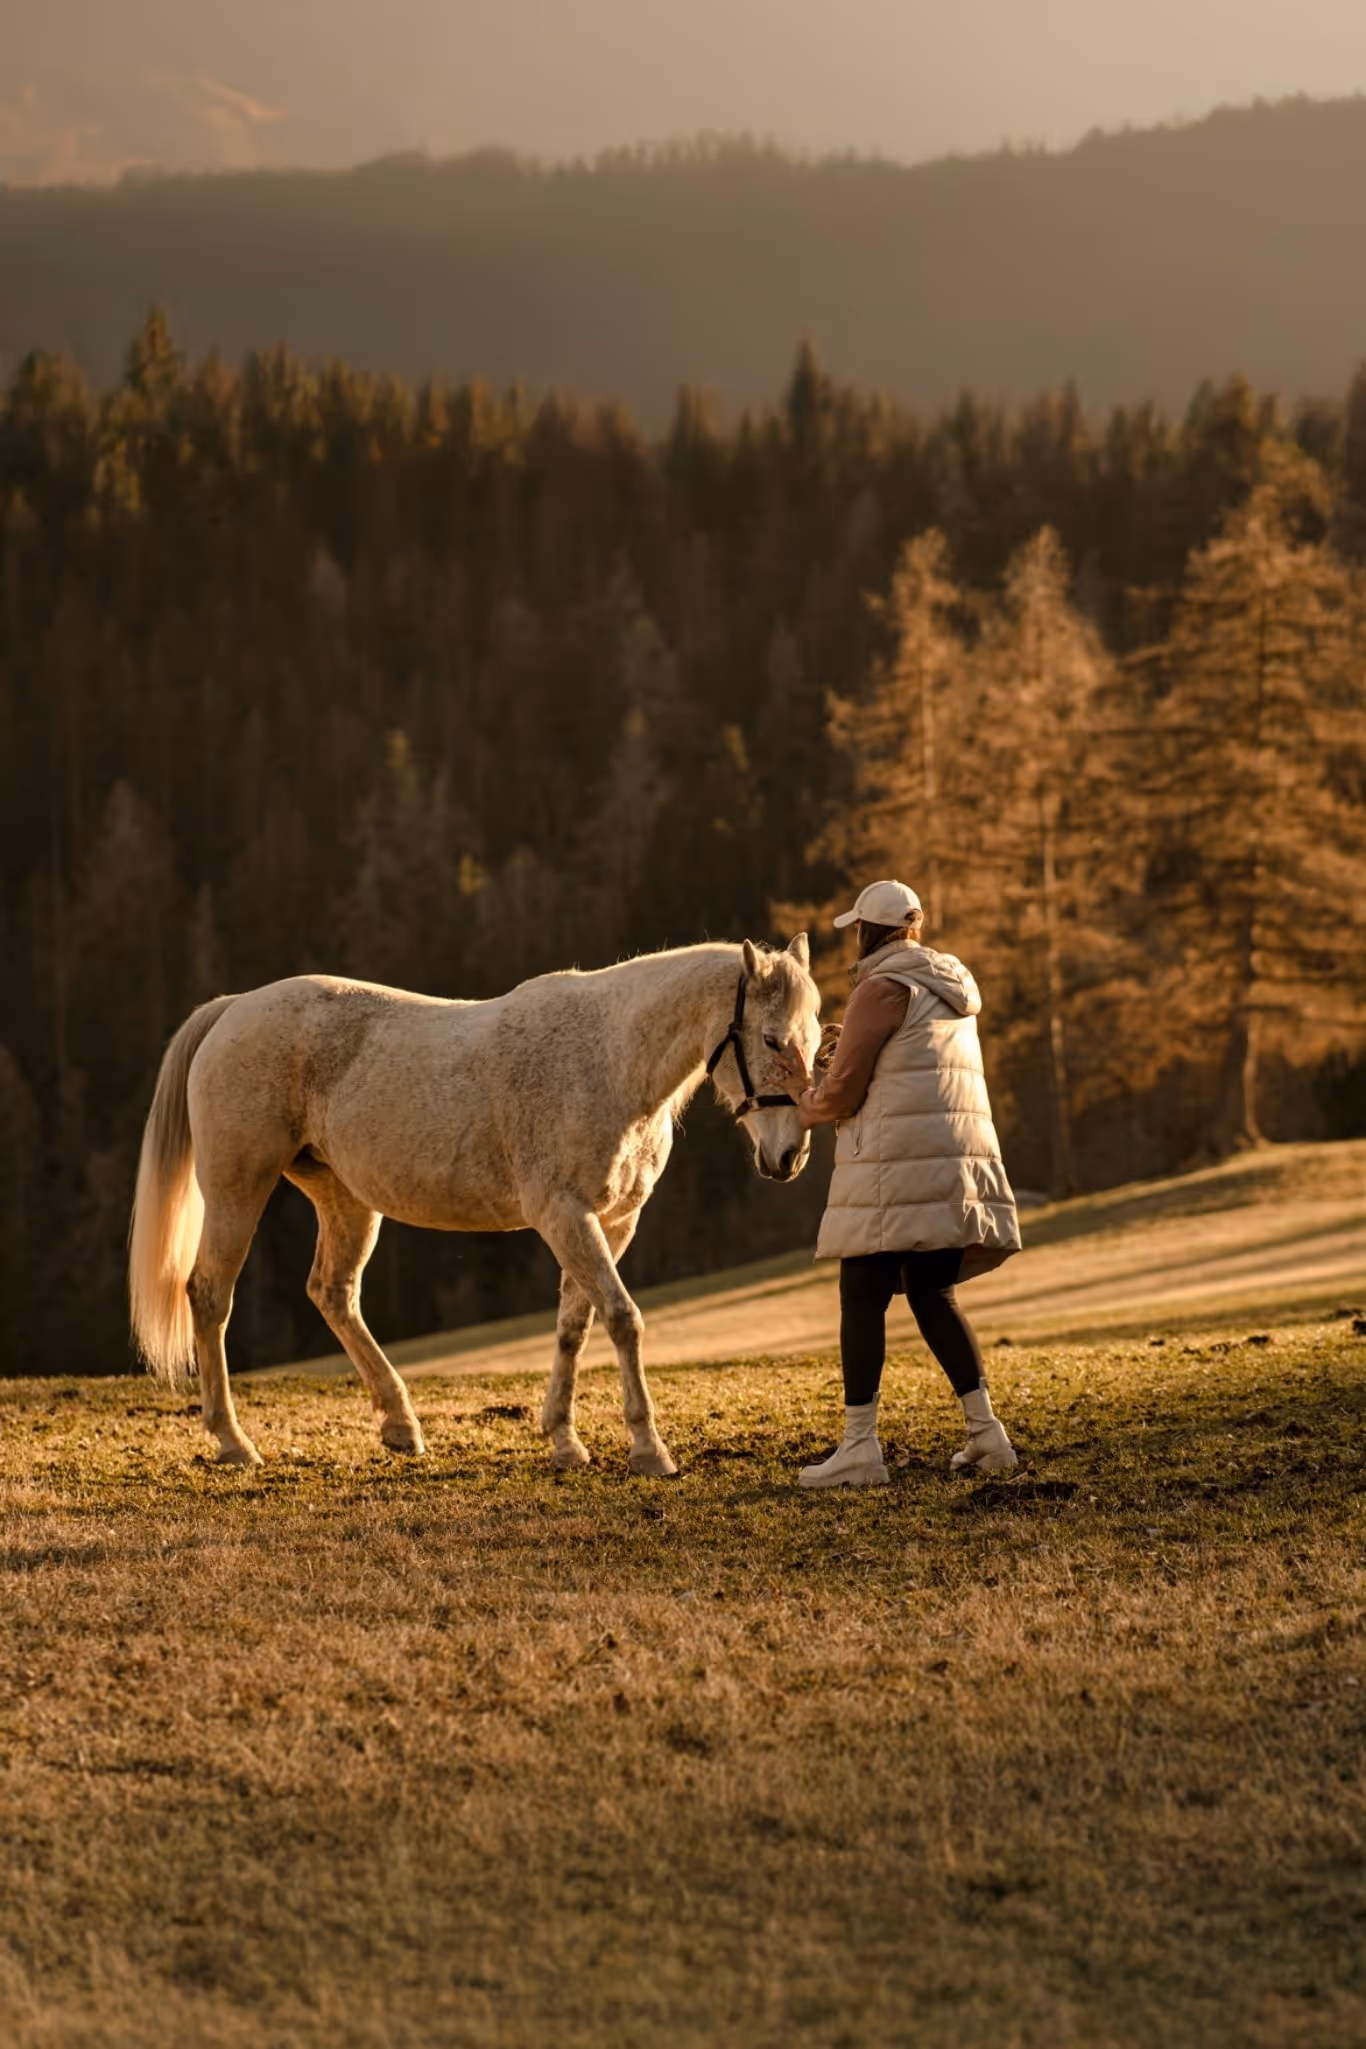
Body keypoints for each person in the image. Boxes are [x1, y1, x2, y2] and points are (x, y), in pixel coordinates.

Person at [779, 879, 1021, 1488]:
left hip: (894, 1167)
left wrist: (799, 1088)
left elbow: (840, 1096)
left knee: (861, 1291)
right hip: (952, 1164)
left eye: (855, 931)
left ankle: (860, 1448)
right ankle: (988, 1436)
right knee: (931, 1293)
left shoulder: (879, 988)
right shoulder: (950, 988)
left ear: (867, 931)